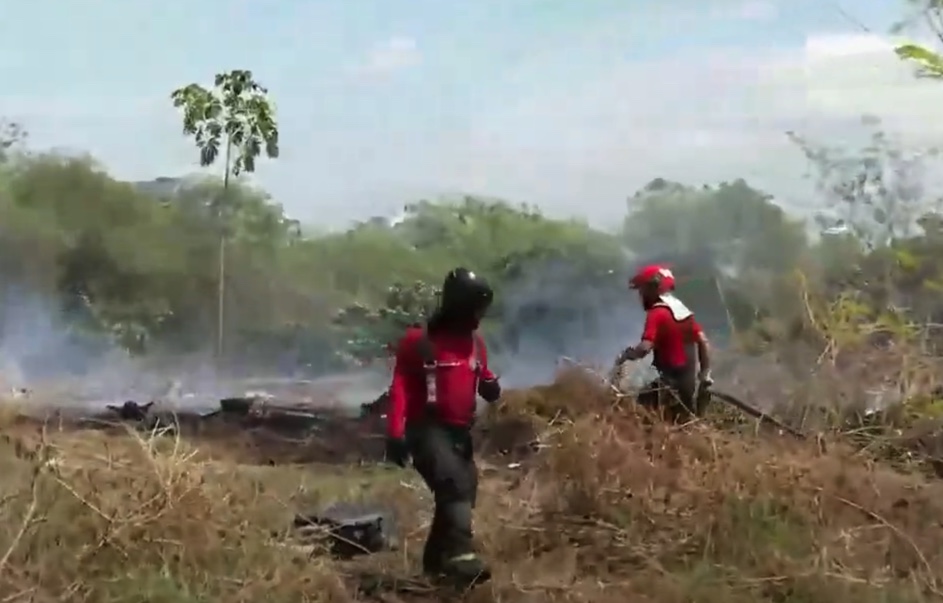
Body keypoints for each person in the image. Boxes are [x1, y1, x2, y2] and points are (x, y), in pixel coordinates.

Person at [385, 267, 502, 586]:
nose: (481, 315)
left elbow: (483, 375)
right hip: (427, 430)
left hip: (460, 433)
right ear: (461, 306)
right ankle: (461, 555)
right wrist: (395, 434)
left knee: (462, 491)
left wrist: (490, 387)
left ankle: (435, 567)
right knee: (454, 486)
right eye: (477, 308)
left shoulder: (476, 344)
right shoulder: (418, 342)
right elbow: (400, 389)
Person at [615, 264, 713, 419]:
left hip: (668, 386)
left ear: (652, 288)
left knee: (634, 414)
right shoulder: (683, 312)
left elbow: (645, 347)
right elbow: (703, 341)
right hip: (688, 387)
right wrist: (705, 374)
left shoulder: (657, 313)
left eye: (642, 290)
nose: (641, 295)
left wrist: (627, 356)